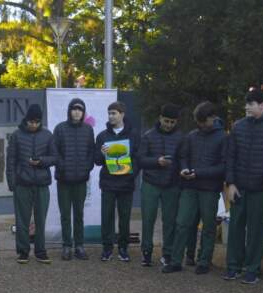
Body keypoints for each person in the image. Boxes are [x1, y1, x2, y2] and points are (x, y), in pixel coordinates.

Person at [224, 88, 263, 284]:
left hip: (260, 188)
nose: (247, 107)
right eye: (246, 104)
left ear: (262, 105)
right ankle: (233, 266)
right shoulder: (238, 126)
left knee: (256, 230)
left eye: (251, 104)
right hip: (239, 186)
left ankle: (252, 268)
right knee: (235, 227)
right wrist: (230, 183)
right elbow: (230, 156)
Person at [162, 102, 226, 275]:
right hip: (189, 186)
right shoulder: (192, 136)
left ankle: (204, 260)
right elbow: (183, 156)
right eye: (198, 122)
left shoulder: (223, 138)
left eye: (203, 121)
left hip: (210, 189)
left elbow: (223, 167)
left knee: (209, 226)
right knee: (182, 223)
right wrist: (184, 168)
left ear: (212, 118)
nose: (201, 125)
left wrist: (198, 173)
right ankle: (176, 261)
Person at [6, 104, 58, 264]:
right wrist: (12, 183)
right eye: (30, 121)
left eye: (36, 122)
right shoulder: (16, 135)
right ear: (26, 120)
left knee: (41, 220)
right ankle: (23, 252)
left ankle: (40, 251)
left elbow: (55, 157)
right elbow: (11, 161)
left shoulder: (48, 135)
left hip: (42, 184)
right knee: (22, 220)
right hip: (22, 184)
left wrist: (41, 161)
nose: (33, 124)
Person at [138, 103, 184, 267]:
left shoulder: (180, 137)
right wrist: (157, 161)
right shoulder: (148, 136)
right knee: (148, 219)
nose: (169, 125)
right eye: (166, 121)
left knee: (169, 220)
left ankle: (168, 254)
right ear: (160, 118)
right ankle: (146, 252)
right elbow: (140, 160)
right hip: (151, 183)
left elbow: (182, 159)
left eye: (172, 122)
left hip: (172, 184)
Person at [95, 101, 139, 262]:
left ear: (122, 115)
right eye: (109, 113)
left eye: (114, 113)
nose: (111, 116)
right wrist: (101, 152)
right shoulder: (102, 136)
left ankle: (123, 248)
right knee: (106, 217)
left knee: (125, 217)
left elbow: (138, 158)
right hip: (108, 183)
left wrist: (131, 174)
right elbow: (97, 161)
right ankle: (107, 248)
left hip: (126, 183)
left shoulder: (133, 135)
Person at [53, 98, 95, 260]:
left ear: (83, 112)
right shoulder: (60, 129)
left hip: (81, 180)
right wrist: (62, 166)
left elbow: (91, 151)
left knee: (79, 214)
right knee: (65, 215)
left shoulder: (88, 130)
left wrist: (87, 167)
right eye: (74, 109)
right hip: (63, 180)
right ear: (69, 111)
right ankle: (66, 246)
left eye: (80, 109)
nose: (77, 112)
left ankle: (79, 245)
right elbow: (54, 151)